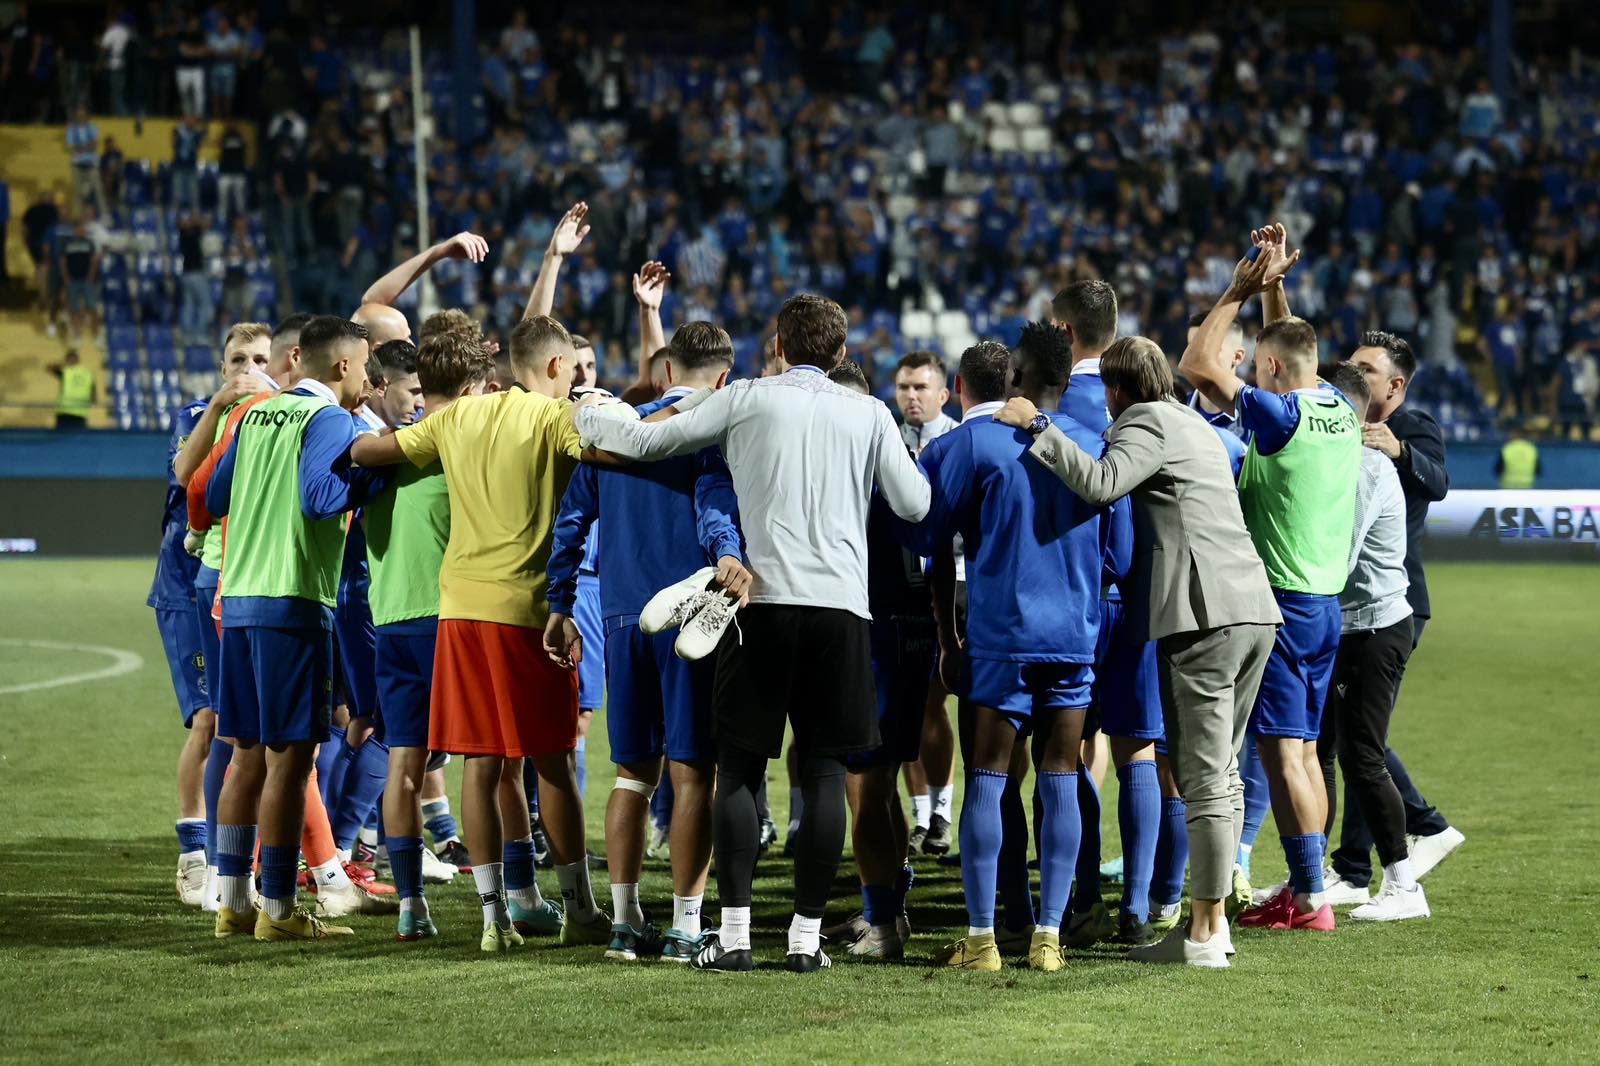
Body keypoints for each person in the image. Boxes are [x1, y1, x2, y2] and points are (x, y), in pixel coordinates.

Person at [572, 294, 931, 974]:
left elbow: (648, 440)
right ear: (843, 355)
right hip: (840, 610)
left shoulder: (746, 400)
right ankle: (803, 941)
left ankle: (734, 938)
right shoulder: (870, 413)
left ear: (777, 346)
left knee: (738, 769)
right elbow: (915, 503)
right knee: (824, 774)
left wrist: (585, 414)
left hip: (757, 602)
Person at [995, 334, 1281, 969]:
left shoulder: (1144, 421)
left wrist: (1037, 424)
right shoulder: (1194, 425)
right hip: (1252, 608)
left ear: (1119, 391)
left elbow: (1101, 484)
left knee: (1204, 776)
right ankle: (1212, 924)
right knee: (1223, 773)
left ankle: (1204, 934)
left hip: (1205, 614)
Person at [350, 314, 610, 954]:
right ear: (554, 368)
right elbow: (618, 445)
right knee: (550, 761)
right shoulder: (552, 419)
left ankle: (493, 917)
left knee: (480, 761)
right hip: (526, 609)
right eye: (573, 369)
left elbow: (368, 451)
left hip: (459, 610)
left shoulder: (449, 421)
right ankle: (578, 908)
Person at [547, 320, 745, 963]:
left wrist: (559, 605)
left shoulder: (613, 429)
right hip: (688, 617)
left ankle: (627, 922)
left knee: (631, 776)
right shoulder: (706, 437)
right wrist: (729, 556)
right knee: (693, 775)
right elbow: (714, 510)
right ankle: (687, 924)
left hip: (619, 618)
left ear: (665, 372)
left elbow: (571, 525)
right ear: (723, 379)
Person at [1181, 228, 1361, 934]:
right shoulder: (1338, 410)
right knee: (1306, 751)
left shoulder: (1277, 417)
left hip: (1282, 602)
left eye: (1258, 369)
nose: (1250, 377)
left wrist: (1235, 290)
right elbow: (1287, 346)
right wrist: (1275, 287)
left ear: (1276, 374)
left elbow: (1197, 362)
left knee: (1282, 754)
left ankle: (1312, 898)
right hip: (1326, 604)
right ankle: (1306, 886)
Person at [912, 329, 1107, 975]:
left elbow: (928, 532)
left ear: (1015, 374)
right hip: (1074, 636)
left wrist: (946, 631)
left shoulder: (976, 441)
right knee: (1060, 777)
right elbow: (1122, 555)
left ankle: (982, 940)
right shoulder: (1095, 446)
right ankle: (1048, 939)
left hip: (1001, 637)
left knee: (990, 780)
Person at [203, 315, 390, 941]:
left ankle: (233, 902)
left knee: (247, 758)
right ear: (341, 367)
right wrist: (373, 477)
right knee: (291, 760)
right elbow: (319, 498)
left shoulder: (257, 413)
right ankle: (279, 911)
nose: (369, 377)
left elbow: (218, 493)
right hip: (295, 602)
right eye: (365, 366)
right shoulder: (331, 420)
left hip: (243, 598)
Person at [365, 332, 496, 941]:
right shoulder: (459, 447)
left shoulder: (381, 454)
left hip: (389, 621)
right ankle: (505, 900)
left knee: (404, 766)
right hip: (451, 620)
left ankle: (411, 906)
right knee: (488, 762)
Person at [1340, 331, 1465, 887]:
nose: (1352, 373)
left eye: (1365, 369)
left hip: (1398, 602)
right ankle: (1348, 867)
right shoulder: (1345, 424)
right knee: (1352, 737)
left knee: (1359, 741)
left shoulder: (1412, 426)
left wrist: (1400, 450)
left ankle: (1425, 824)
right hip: (1361, 600)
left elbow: (1438, 482)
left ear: (1395, 385)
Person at [821, 358, 930, 959]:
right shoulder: (897, 454)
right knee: (882, 783)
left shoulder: (849, 465)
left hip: (874, 632)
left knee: (863, 785)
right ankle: (889, 911)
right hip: (911, 629)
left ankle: (882, 925)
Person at [1315, 363, 1431, 923]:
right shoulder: (1342, 461)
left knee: (1363, 756)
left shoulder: (1361, 467)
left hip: (1374, 628)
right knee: (1322, 751)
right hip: (1351, 625)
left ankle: (1403, 882)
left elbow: (1340, 556)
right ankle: (1313, 876)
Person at [891, 349, 958, 858]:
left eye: (920, 388)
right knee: (913, 704)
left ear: (943, 393)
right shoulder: (886, 439)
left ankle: (943, 810)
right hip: (904, 590)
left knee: (940, 705)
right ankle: (923, 815)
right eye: (903, 387)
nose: (911, 397)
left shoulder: (957, 441)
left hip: (955, 588)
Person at [58, 221, 98, 341]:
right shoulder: (67, 244)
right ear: (74, 231)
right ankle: (77, 335)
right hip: (72, 281)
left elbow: (93, 261)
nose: (81, 231)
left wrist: (91, 277)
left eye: (82, 229)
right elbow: (63, 262)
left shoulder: (89, 244)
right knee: (73, 309)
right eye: (78, 229)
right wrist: (66, 278)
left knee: (92, 308)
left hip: (86, 281)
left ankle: (96, 335)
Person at [49, 348, 95, 429]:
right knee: (77, 439)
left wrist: (63, 362)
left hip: (71, 413)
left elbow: (50, 367)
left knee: (63, 439)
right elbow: (93, 398)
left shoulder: (67, 372)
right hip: (72, 412)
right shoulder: (87, 374)